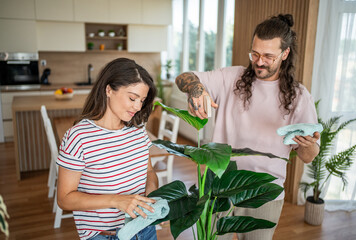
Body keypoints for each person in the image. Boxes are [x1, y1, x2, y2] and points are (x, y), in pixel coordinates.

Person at [175, 14, 320, 240]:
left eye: (268, 56)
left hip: (264, 194)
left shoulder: (300, 97)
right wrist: (195, 89)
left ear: (285, 53)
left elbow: (308, 156)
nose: (259, 61)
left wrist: (308, 145)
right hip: (220, 186)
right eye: (255, 53)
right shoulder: (231, 77)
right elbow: (185, 76)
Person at [56, 58, 159, 240]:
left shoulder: (137, 131)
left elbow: (149, 171)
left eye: (142, 100)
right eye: (132, 98)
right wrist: (116, 200)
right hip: (105, 236)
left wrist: (151, 196)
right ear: (109, 89)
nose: (137, 106)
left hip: (144, 229)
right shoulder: (79, 137)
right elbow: (64, 198)